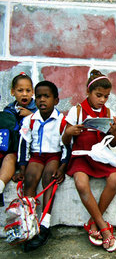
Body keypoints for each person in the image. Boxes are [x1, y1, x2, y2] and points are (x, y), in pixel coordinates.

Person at [63, 70, 116, 253]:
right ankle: (103, 226)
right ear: (88, 93)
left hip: (100, 156)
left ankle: (93, 223)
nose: (102, 100)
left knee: (115, 179)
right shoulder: (77, 111)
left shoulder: (109, 112)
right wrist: (69, 133)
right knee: (81, 183)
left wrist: (114, 131)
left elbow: (113, 144)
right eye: (98, 95)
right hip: (80, 155)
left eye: (106, 96)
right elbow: (64, 141)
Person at [18, 80, 69, 252]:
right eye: (38, 96)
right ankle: (28, 224)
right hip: (36, 156)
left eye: (46, 96)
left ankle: (45, 224)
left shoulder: (62, 121)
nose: (42, 100)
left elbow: (67, 146)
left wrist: (62, 167)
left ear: (56, 100)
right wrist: (22, 168)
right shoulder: (30, 120)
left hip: (54, 156)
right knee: (30, 178)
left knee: (49, 177)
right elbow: (24, 144)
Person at [0, 73, 37, 207]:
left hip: (29, 151)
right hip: (12, 148)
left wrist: (31, 116)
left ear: (32, 92)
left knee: (11, 158)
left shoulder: (38, 108)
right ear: (12, 92)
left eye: (28, 91)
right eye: (20, 91)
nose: (24, 94)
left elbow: (46, 122)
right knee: (7, 157)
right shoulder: (9, 110)